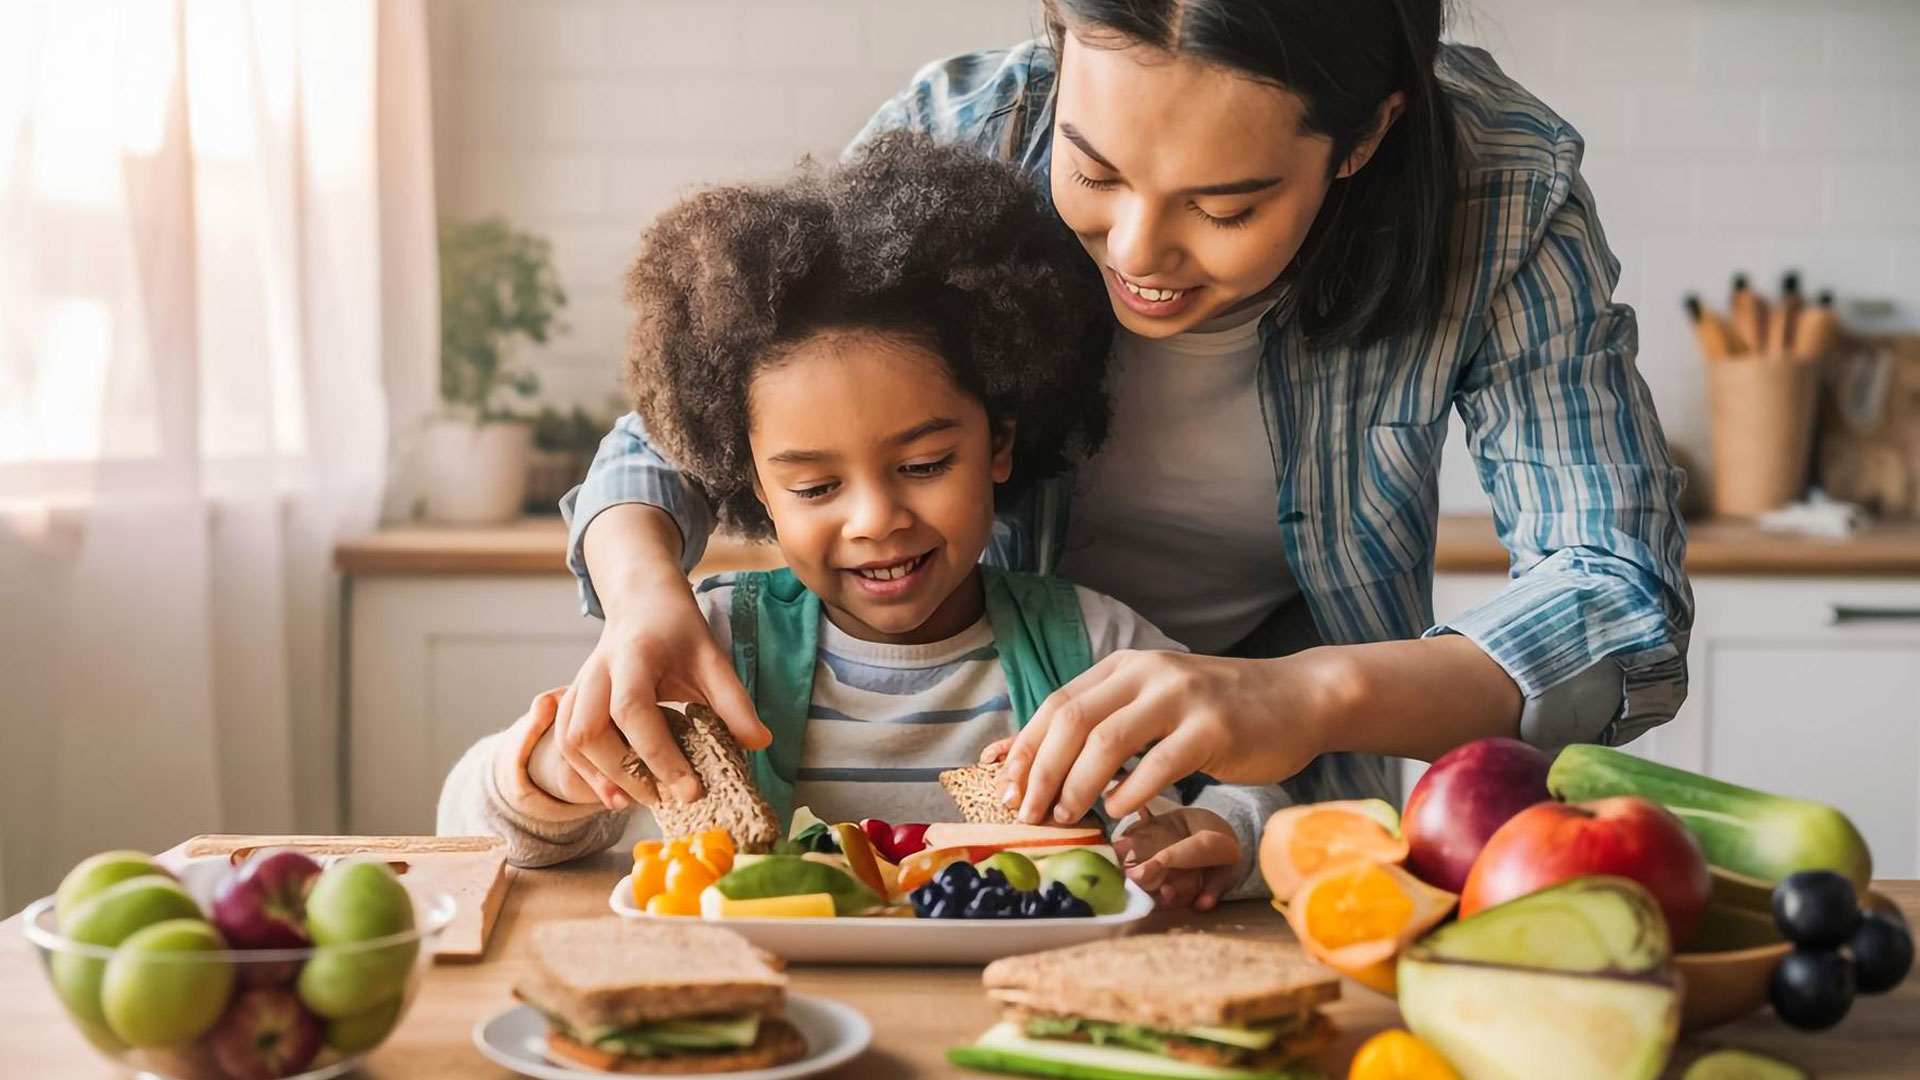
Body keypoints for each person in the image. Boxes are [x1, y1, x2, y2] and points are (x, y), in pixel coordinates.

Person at [552, 0, 1692, 834]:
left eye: (1226, 204)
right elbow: (706, 415)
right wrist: (643, 593)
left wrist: (1304, 696)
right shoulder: (967, 129)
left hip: (1288, 786)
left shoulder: (1498, 188)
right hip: (994, 712)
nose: (1138, 254)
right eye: (1094, 175)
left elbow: (1618, 593)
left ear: (1362, 137)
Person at [440, 133, 1279, 909]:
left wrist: (1218, 838)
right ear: (756, 490)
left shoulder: (1096, 649)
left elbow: (1255, 787)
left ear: (1001, 443)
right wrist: (560, 772)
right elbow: (468, 831)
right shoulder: (713, 649)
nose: (876, 519)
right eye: (813, 487)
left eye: (922, 466)